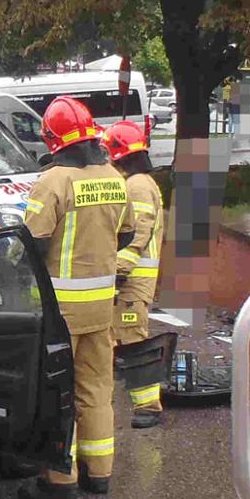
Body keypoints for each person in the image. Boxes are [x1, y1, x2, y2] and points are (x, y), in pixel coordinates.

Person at [18, 96, 133, 499]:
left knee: (58, 393)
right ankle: (98, 472)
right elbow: (127, 235)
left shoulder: (52, 181)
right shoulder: (114, 177)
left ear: (52, 138)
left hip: (59, 312)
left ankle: (59, 479)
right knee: (97, 389)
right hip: (101, 306)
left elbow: (32, 243)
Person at [105, 121, 167, 429]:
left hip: (133, 281)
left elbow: (138, 234)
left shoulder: (137, 186)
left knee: (133, 339)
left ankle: (149, 407)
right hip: (131, 279)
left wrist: (119, 269)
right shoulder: (138, 182)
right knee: (119, 336)